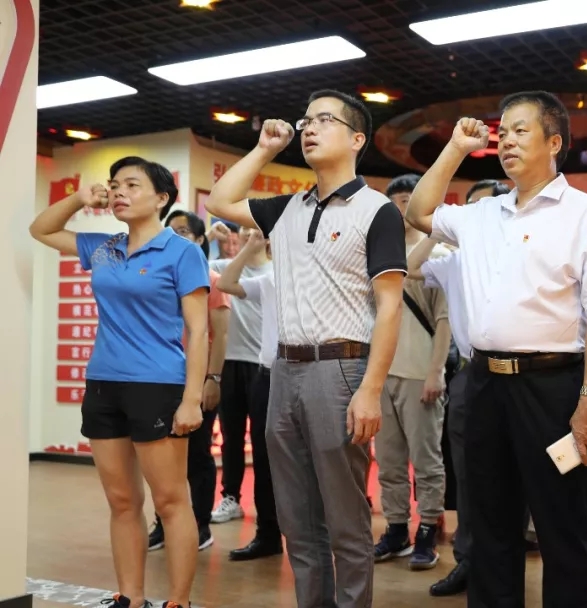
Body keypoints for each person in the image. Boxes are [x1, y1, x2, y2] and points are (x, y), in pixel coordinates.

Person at [404, 91, 587, 608]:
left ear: (555, 142)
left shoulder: (586, 216)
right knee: (489, 525)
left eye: (521, 130)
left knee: (562, 526)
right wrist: (456, 148)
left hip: (553, 388)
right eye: (502, 132)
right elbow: (419, 211)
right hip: (484, 384)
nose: (506, 141)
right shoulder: (481, 215)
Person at [205, 89, 407, 608]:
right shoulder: (287, 208)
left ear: (357, 139)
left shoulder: (377, 210)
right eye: (306, 120)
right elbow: (219, 202)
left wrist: (371, 389)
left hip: (341, 370)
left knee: (346, 522)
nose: (309, 128)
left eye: (325, 119)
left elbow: (390, 308)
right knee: (298, 521)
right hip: (284, 371)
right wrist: (265, 148)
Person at [29, 156, 208, 608]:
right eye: (114, 185)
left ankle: (179, 601)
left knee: (170, 501)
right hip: (103, 384)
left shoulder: (182, 252)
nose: (119, 192)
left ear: (162, 198)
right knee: (122, 501)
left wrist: (192, 399)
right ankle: (131, 597)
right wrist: (79, 198)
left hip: (158, 386)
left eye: (131, 184)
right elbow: (42, 230)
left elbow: (199, 329)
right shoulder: (103, 247)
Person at [406, 179, 512, 597]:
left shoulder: (522, 251)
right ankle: (468, 561)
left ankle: (505, 566)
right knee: (468, 475)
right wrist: (437, 231)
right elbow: (412, 267)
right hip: (471, 373)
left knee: (517, 473)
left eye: (487, 208)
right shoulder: (454, 260)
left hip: (525, 374)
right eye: (470, 211)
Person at [372, 173, 452, 570]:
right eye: (397, 200)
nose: (402, 207)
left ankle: (428, 530)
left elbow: (444, 320)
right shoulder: (375, 251)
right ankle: (397, 528)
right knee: (388, 461)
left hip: (420, 372)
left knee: (426, 460)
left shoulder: (439, 254)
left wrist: (437, 371)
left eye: (409, 199)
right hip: (380, 374)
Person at [144, 211, 231, 553]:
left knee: (196, 455)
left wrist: (213, 379)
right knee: (160, 457)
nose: (175, 238)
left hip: (196, 380)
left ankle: (200, 525)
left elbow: (220, 336)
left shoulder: (211, 280)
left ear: (199, 240)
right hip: (160, 380)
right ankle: (163, 523)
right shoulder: (161, 278)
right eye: (171, 232)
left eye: (183, 232)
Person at [216, 230, 284, 561]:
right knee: (247, 445)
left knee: (282, 455)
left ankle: (307, 533)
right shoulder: (261, 278)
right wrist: (244, 249)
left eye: (256, 228)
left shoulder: (283, 273)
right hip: (258, 371)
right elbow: (224, 283)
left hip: (291, 371)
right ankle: (266, 530)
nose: (248, 232)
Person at [208, 225, 273, 529]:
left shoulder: (275, 271)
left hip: (263, 366)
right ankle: (230, 497)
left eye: (255, 228)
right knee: (231, 437)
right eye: (244, 228)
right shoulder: (225, 267)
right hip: (229, 362)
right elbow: (189, 265)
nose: (249, 232)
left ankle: (267, 506)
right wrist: (209, 238)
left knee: (263, 440)